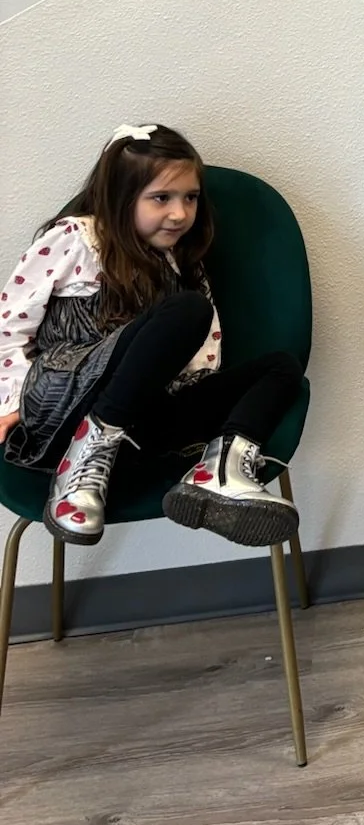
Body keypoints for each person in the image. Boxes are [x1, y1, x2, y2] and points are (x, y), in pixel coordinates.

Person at [0, 124, 303, 548]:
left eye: (190, 197)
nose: (180, 213)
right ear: (120, 198)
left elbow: (205, 351)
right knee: (188, 309)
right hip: (64, 406)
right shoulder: (76, 239)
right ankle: (86, 455)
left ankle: (219, 471)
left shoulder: (182, 265)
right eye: (161, 198)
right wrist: (12, 401)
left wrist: (200, 402)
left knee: (281, 367)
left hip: (143, 425)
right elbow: (9, 324)